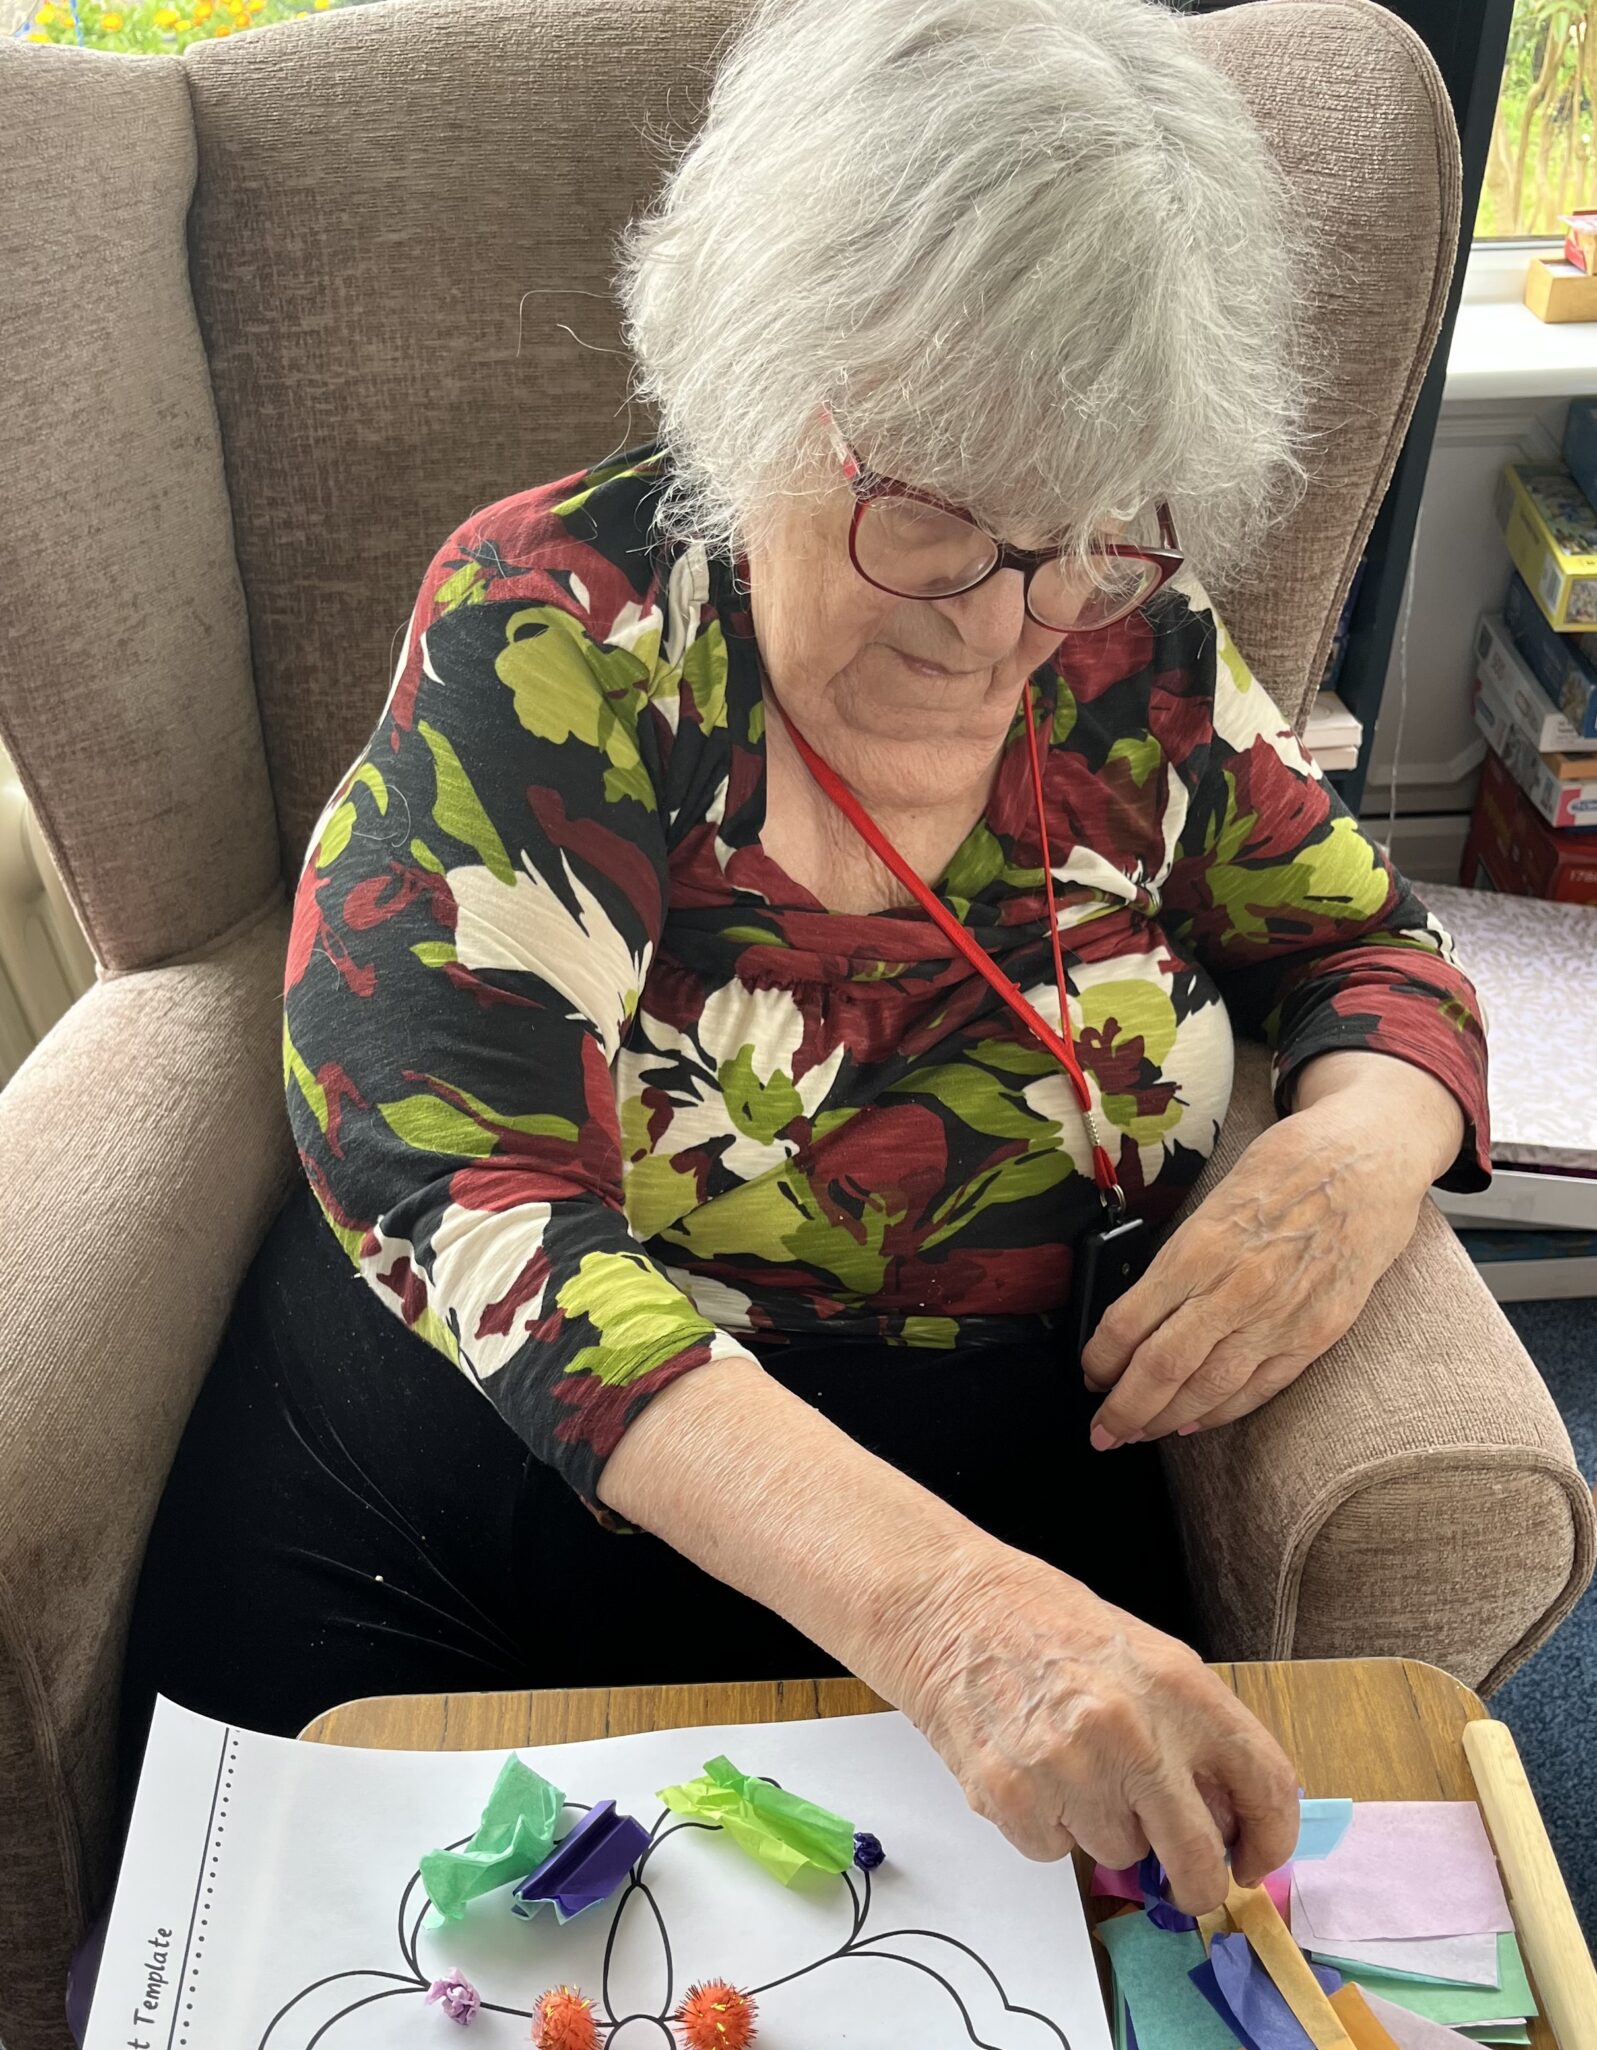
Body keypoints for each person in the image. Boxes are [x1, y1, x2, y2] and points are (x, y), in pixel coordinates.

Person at [119, 0, 1490, 1915]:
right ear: (756, 393)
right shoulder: (556, 632)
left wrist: (1356, 1149)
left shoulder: (1134, 643)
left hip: (1003, 1470)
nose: (1002, 628)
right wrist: (948, 1617)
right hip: (494, 1494)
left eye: (1081, 534)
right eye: (928, 520)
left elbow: (1366, 945)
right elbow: (464, 1184)